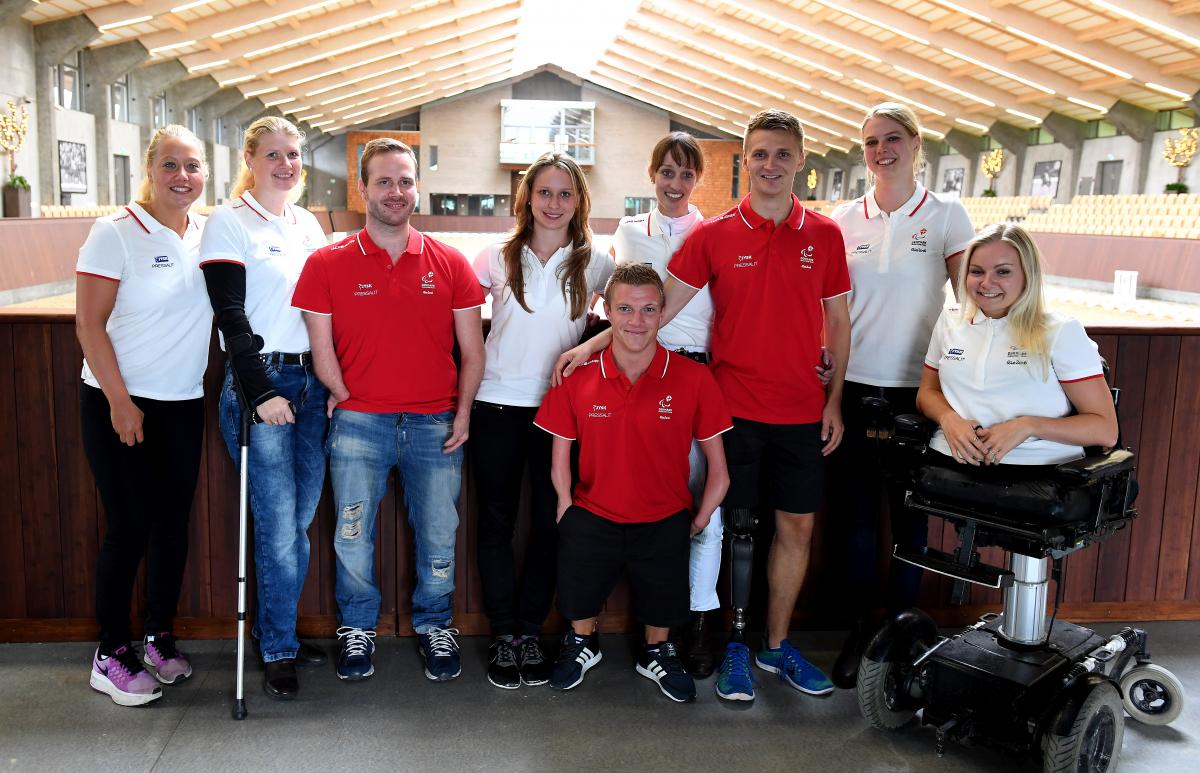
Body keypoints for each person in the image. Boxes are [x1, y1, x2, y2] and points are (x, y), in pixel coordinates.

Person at [556, 108, 852, 703]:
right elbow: (652, 306)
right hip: (734, 404)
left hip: (801, 408)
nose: (771, 165)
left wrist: (834, 399)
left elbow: (839, 320)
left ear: (800, 161)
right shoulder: (714, 234)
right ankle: (734, 645)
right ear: (746, 160)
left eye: (782, 154)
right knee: (730, 527)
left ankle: (775, 645)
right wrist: (593, 341)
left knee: (796, 527)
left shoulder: (824, 234)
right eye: (760, 154)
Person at [293, 137, 485, 683]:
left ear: (416, 187)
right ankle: (357, 628)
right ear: (364, 188)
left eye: (405, 181)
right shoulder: (326, 263)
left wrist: (464, 413)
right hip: (359, 424)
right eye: (384, 181)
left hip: (436, 424)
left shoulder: (450, 263)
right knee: (351, 533)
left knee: (439, 532)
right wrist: (347, 398)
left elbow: (472, 351)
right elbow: (320, 347)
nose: (396, 191)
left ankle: (434, 624)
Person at [826, 102, 976, 688]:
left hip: (921, 390)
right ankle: (865, 633)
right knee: (858, 522)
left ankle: (904, 634)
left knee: (912, 521)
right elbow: (831, 313)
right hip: (857, 386)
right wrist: (831, 392)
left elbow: (972, 303)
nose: (880, 150)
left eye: (892, 139)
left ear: (916, 144)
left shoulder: (946, 215)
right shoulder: (844, 218)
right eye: (869, 142)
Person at [535, 264, 731, 703]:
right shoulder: (577, 379)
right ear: (606, 310)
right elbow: (560, 455)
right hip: (593, 511)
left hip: (664, 515)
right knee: (576, 573)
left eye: (647, 310)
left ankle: (657, 651)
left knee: (665, 592)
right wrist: (566, 506)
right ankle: (582, 642)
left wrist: (698, 519)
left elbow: (719, 469)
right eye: (624, 308)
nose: (636, 321)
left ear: (663, 313)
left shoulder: (694, 379)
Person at [78, 125, 210, 706]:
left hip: (183, 402)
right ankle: (110, 654)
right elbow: (89, 324)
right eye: (171, 165)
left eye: (193, 166)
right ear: (150, 170)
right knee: (129, 527)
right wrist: (121, 402)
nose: (183, 177)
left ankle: (159, 636)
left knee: (171, 527)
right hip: (121, 403)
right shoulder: (115, 233)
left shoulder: (209, 232)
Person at [200, 116, 331, 700]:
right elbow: (231, 316)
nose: (285, 165)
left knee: (297, 524)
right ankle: (278, 646)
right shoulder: (228, 223)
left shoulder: (306, 223)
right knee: (279, 528)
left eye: (294, 155)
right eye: (273, 154)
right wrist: (261, 393)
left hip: (311, 383)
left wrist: (331, 382)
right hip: (265, 385)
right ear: (249, 160)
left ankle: (277, 632)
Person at [470, 152, 612, 689]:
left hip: (560, 414)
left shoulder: (595, 263)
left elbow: (643, 309)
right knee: (497, 525)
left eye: (565, 194)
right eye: (544, 192)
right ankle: (504, 634)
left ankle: (531, 629)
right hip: (497, 406)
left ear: (579, 203)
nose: (554, 204)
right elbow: (453, 318)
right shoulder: (495, 257)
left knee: (556, 526)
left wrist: (588, 346)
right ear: (527, 197)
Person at [608, 131, 722, 678]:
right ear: (652, 174)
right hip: (642, 370)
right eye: (666, 172)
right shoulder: (630, 232)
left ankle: (697, 620)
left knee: (706, 506)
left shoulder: (715, 233)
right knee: (648, 500)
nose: (675, 183)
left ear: (698, 179)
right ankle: (654, 626)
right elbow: (613, 300)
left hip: (699, 372)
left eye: (686, 174)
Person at [918, 224, 1117, 471]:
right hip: (950, 462)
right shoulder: (951, 319)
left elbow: (1105, 430)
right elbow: (927, 393)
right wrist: (948, 419)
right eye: (976, 271)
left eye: (1003, 272)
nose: (986, 283)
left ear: (1027, 274)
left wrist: (1027, 426)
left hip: (1038, 472)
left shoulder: (1061, 331)